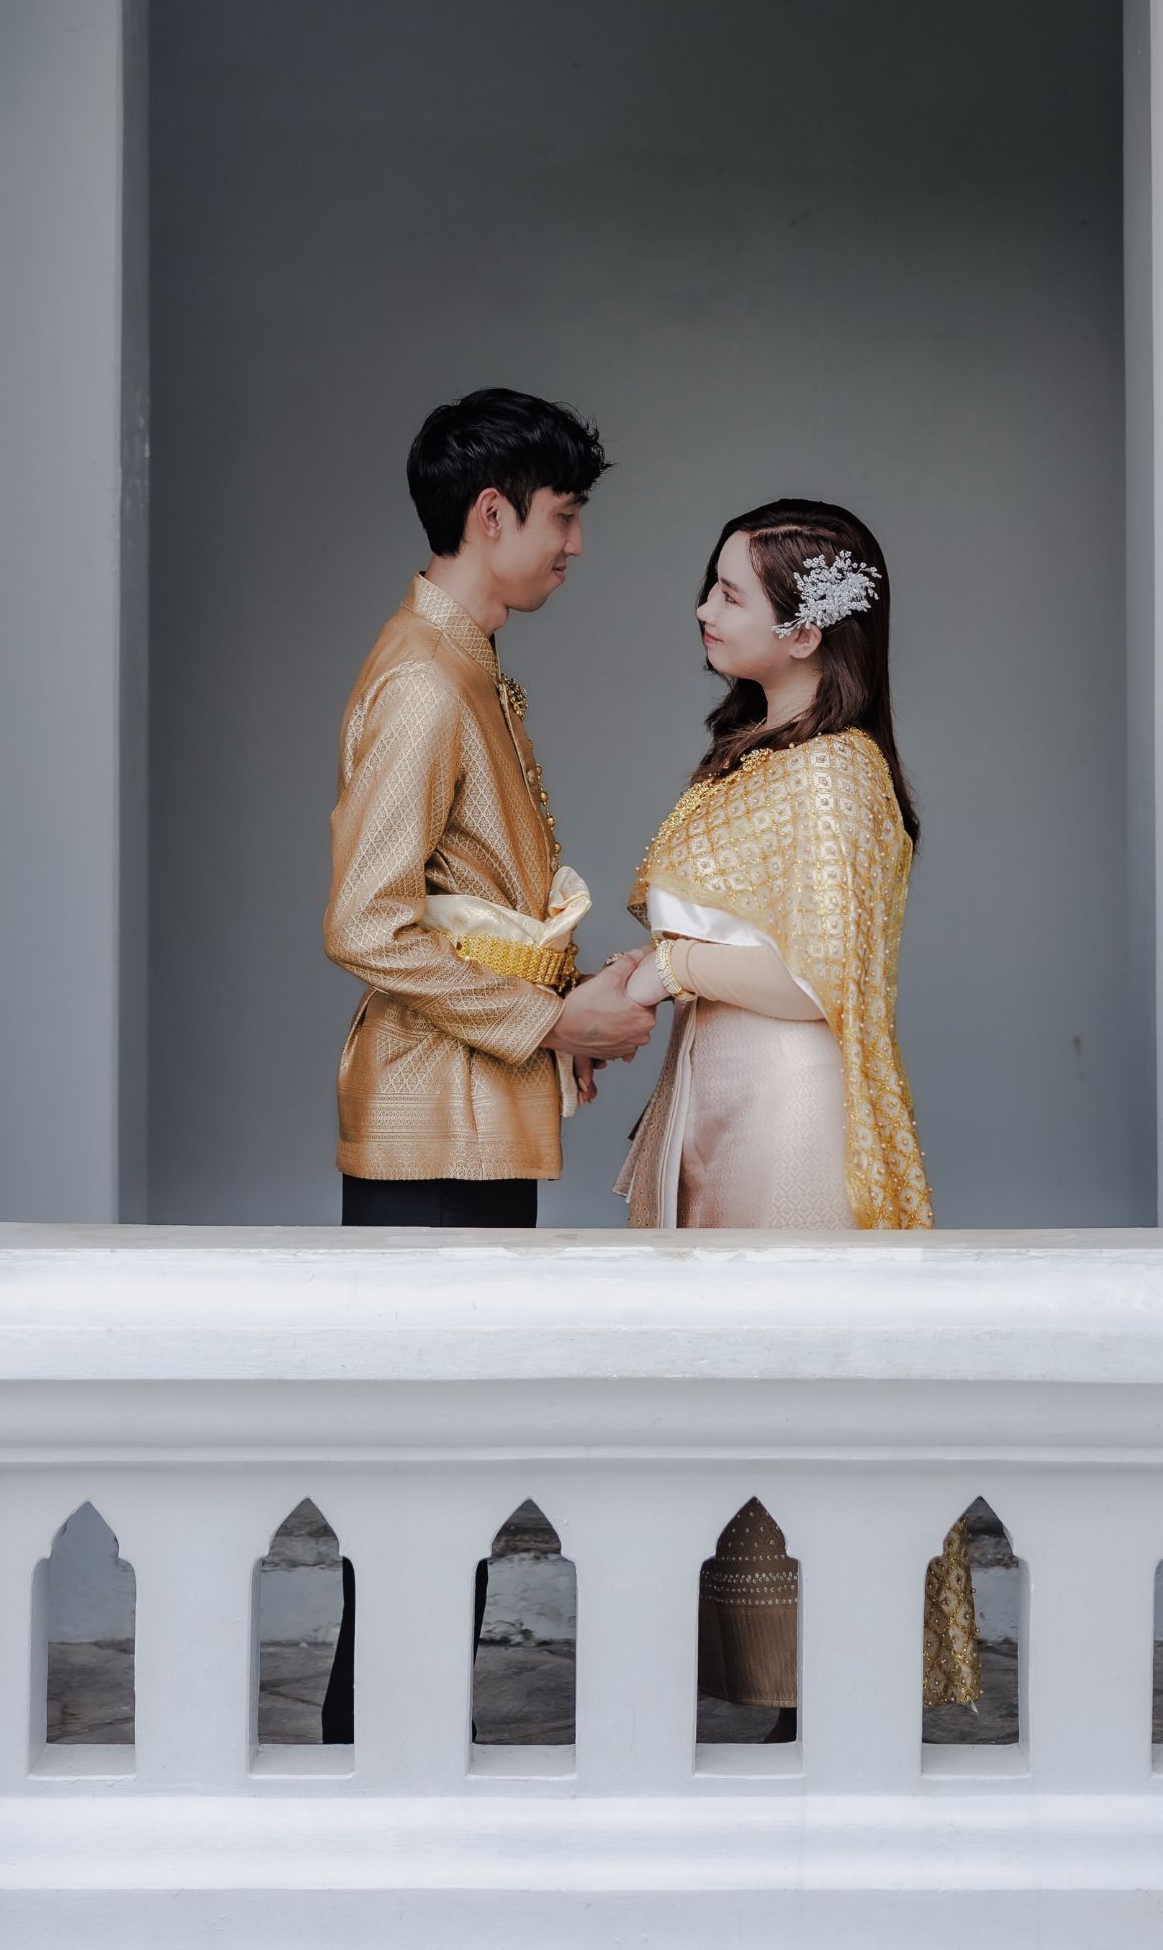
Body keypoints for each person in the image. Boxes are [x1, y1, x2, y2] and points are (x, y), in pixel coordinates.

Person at [318, 386, 651, 1742]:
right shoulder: (422, 677)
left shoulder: (468, 664)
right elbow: (366, 923)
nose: (575, 544)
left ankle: (397, 1754)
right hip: (429, 1121)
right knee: (420, 1465)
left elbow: (476, 906)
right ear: (491, 513)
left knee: (452, 1464)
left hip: (469, 1110)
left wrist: (566, 993)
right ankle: (374, 1755)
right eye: (562, 516)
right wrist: (552, 1023)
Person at [616, 498, 979, 1733]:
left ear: (808, 628)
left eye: (729, 592)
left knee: (784, 1382)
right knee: (723, 1389)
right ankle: (769, 1689)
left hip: (788, 1108)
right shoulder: (758, 753)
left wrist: (668, 971)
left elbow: (826, 980)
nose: (703, 610)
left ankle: (817, 1690)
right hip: (721, 1089)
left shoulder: (835, 772)